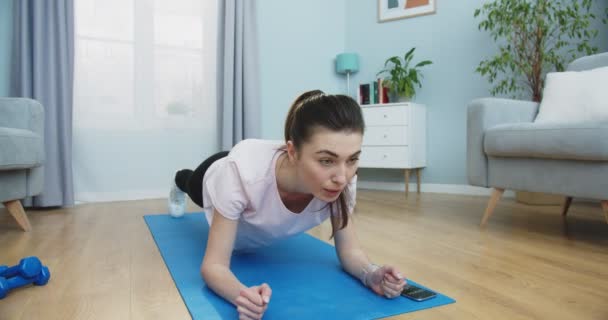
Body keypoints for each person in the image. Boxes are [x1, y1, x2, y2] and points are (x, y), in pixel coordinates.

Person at [168, 90, 407, 319]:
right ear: (292, 152)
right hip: (219, 172)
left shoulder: (341, 180)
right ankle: (179, 181)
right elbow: (214, 266)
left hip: (270, 165)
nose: (342, 177)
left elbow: (351, 251)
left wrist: (371, 274)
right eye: (326, 160)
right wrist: (243, 295)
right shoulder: (237, 176)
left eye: (352, 159)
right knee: (190, 183)